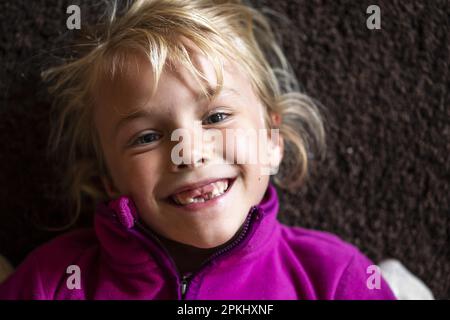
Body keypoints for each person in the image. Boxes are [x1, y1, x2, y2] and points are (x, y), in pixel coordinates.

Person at [0, 0, 396, 299]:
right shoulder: (54, 281)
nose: (188, 152)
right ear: (108, 180)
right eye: (146, 138)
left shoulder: (334, 278)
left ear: (273, 141)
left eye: (217, 116)